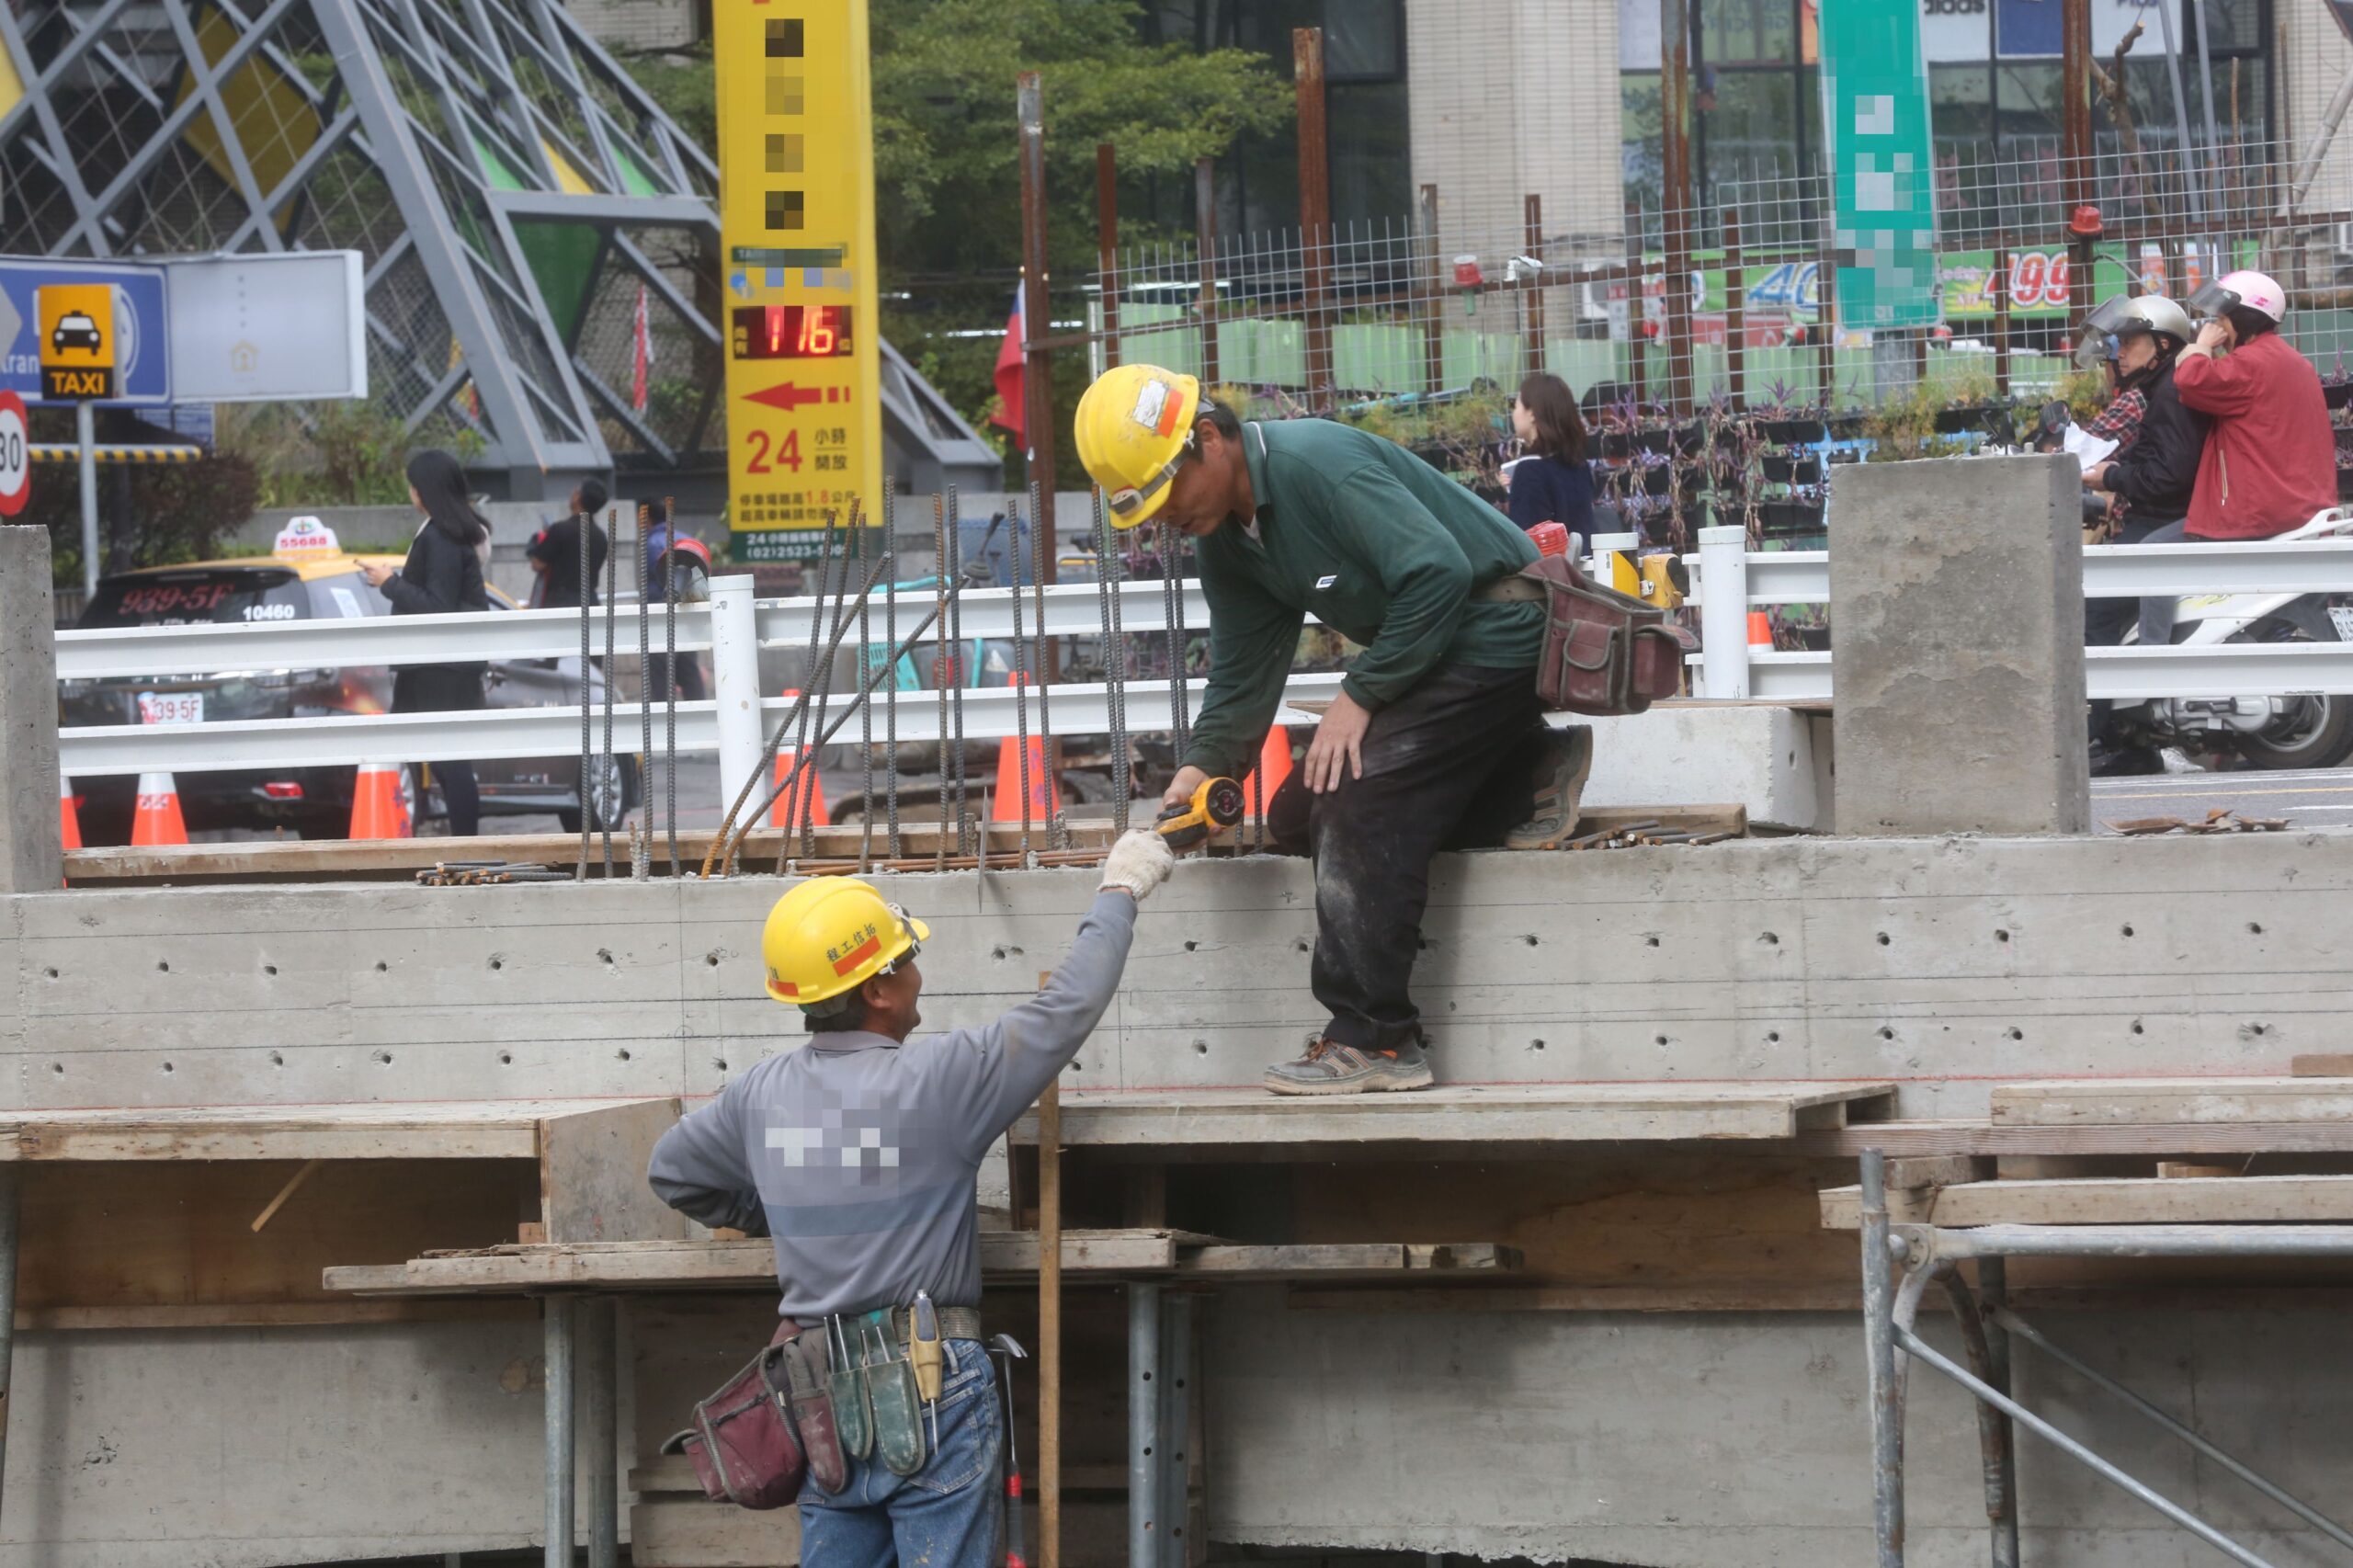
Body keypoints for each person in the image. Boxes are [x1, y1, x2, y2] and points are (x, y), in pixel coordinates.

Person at [644, 830, 1176, 1567]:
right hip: (930, 1386)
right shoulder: (939, 1085)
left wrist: (783, 1214)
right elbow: (1068, 1007)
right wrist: (1119, 892)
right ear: (876, 990)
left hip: (821, 1385)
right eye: (906, 959)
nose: (918, 972)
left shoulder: (760, 1096)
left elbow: (673, 1172)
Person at [1072, 363, 1591, 1097]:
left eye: (1166, 493)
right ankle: (1525, 777)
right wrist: (1203, 770)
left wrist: (1361, 694)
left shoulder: (1318, 466)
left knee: (1355, 797)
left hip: (1502, 632)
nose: (1163, 517)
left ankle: (1376, 1040)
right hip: (1435, 650)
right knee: (1296, 815)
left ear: (1210, 440)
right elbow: (1242, 676)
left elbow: (1438, 574)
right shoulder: (1225, 536)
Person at [2135, 269, 2336, 646]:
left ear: (2241, 320)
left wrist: (2199, 346)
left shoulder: (2249, 364)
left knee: (2152, 553)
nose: (2217, 326)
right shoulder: (2295, 363)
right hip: (2299, 506)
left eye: (2222, 319)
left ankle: (2152, 663)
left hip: (2255, 510)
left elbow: (2192, 382)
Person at [2076, 294, 2208, 774]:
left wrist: (2109, 478)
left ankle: (2104, 739)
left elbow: (2169, 477)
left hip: (2161, 520)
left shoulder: (2169, 393)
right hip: (2154, 516)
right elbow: (2154, 461)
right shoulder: (2160, 390)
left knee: (2092, 608)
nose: (2119, 351)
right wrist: (2116, 470)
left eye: (2130, 340)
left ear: (2163, 343)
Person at [359, 449, 492, 835]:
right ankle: (454, 843)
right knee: (436, 759)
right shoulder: (450, 533)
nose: (411, 491)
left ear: (424, 491)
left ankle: (465, 848)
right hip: (438, 667)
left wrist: (390, 582)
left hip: (441, 670)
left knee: (450, 764)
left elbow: (438, 605)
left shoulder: (442, 538)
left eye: (413, 485)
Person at [1505, 371, 1596, 551]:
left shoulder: (1530, 470)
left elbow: (1525, 543)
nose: (1514, 414)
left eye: (1516, 406)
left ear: (1532, 414)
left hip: (1552, 575)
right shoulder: (1579, 466)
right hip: (1584, 570)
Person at [526, 478, 611, 610]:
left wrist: (539, 541)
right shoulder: (601, 536)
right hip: (591, 601)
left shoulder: (560, 529)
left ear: (578, 497)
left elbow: (537, 564)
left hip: (560, 602)